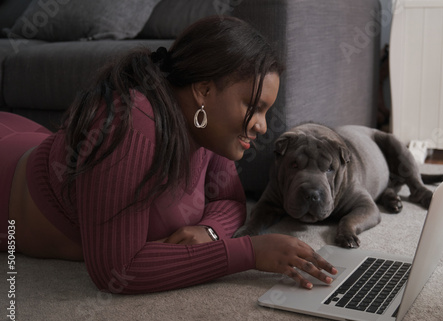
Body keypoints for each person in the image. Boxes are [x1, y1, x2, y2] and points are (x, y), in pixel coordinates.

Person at [0, 16, 337, 294]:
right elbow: (118, 270)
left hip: (31, 136)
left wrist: (209, 231)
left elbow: (231, 201)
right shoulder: (130, 130)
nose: (263, 126)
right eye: (254, 107)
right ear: (204, 90)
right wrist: (248, 252)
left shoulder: (207, 128)